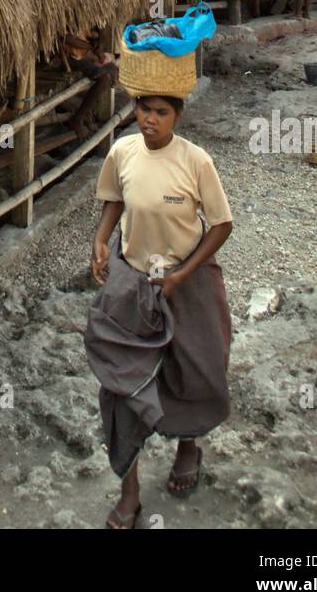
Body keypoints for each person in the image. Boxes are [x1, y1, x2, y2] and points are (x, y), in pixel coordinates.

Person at [85, 93, 233, 528]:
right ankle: (130, 494)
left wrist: (181, 276)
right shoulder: (122, 151)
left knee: (194, 367)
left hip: (185, 280)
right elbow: (114, 198)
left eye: (161, 112)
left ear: (178, 115)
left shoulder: (196, 161)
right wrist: (101, 239)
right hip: (131, 279)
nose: (150, 120)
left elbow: (221, 224)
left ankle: (188, 444)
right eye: (143, 110)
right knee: (120, 383)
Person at [59, 30, 118, 137]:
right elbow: (65, 38)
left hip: (81, 56)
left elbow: (94, 35)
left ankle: (87, 114)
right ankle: (78, 119)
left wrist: (97, 45)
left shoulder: (84, 23)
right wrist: (91, 47)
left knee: (112, 68)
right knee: (104, 78)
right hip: (69, 59)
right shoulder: (65, 20)